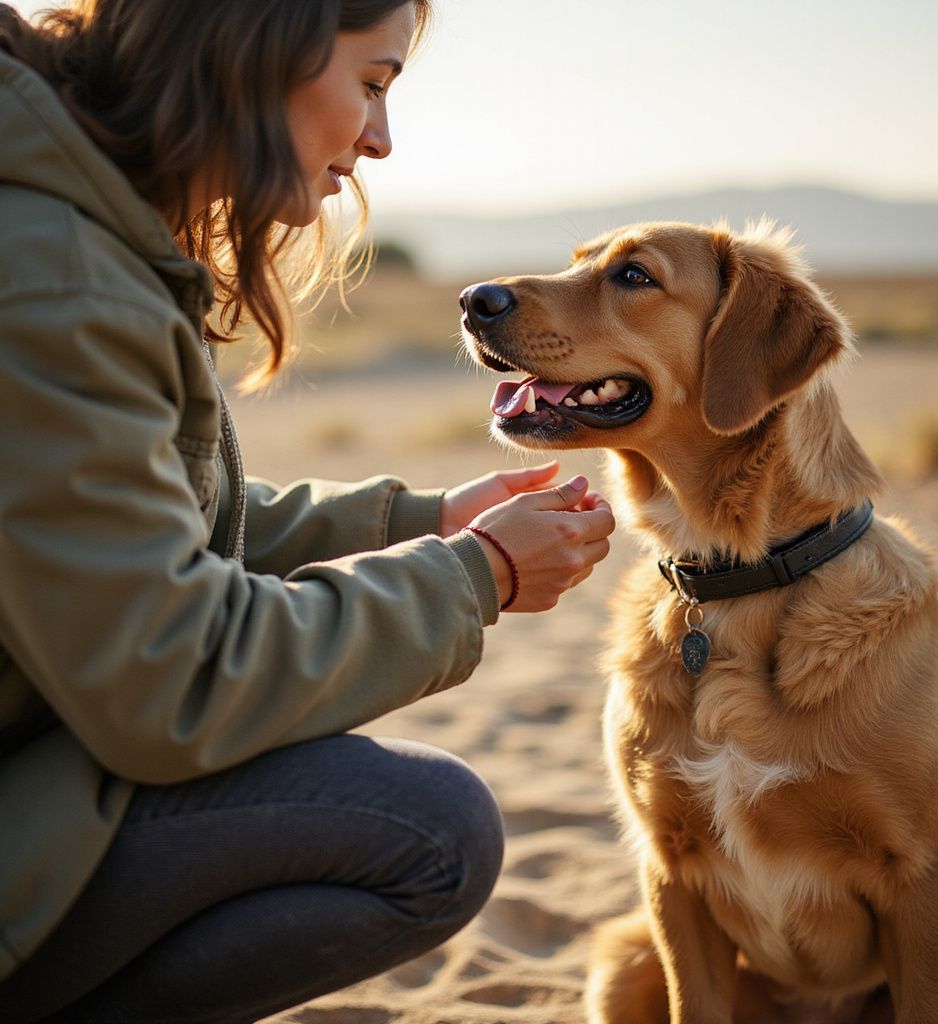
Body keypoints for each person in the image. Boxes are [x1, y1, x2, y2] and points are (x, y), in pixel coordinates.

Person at [0, 1, 616, 1021]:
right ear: (256, 42)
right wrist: (478, 575)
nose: (380, 138)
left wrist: (422, 522)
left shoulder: (71, 230)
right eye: (371, 84)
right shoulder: (58, 280)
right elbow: (176, 680)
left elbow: (155, 527)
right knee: (428, 829)